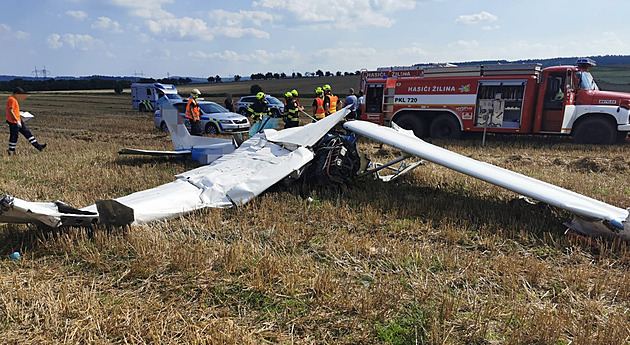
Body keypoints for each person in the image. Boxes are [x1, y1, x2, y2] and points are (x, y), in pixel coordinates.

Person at [6, 87, 46, 155]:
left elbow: (14, 111)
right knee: (14, 136)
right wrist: (16, 120)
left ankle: (38, 146)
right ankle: (11, 150)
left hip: (18, 120)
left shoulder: (13, 99)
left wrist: (19, 114)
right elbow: (10, 111)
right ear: (16, 93)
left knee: (27, 133)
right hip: (14, 122)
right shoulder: (12, 100)